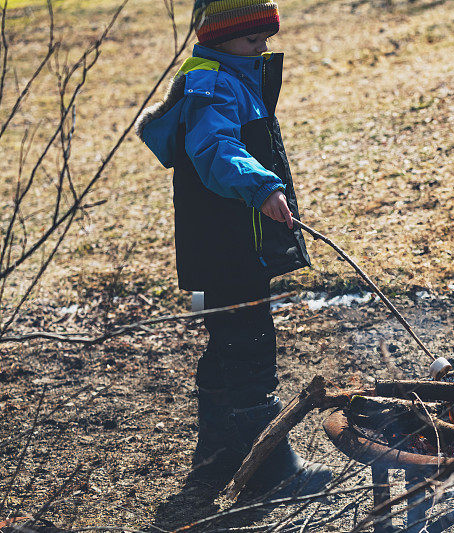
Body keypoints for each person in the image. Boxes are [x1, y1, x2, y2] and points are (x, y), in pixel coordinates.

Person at [135, 0, 331, 492]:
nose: (263, 47)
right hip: (226, 249)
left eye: (267, 37)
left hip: (222, 250)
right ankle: (270, 467)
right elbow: (215, 147)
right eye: (252, 39)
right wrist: (261, 187)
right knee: (248, 344)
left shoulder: (228, 71)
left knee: (227, 343)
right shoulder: (213, 84)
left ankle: (219, 457)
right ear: (220, 37)